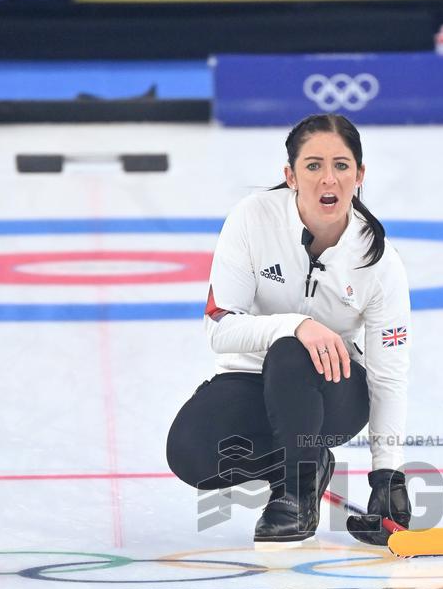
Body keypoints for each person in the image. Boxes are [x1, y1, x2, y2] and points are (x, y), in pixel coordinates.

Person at [166, 113, 412, 546]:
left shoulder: (379, 261)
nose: (328, 180)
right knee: (189, 451)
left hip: (333, 397)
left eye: (341, 165)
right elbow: (220, 329)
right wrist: (297, 325)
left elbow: (389, 373)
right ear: (290, 176)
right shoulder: (251, 219)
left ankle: (295, 497)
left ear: (359, 175)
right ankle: (309, 463)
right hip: (252, 381)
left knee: (293, 355)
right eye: (313, 166)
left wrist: (387, 476)